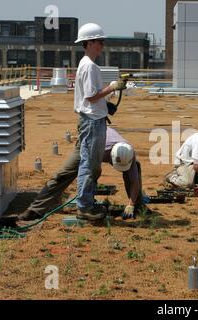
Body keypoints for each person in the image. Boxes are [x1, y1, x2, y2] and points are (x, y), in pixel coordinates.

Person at [18, 127, 146, 222]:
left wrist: (131, 204)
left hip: (101, 138)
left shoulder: (128, 152)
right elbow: (88, 173)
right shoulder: (100, 150)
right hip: (86, 143)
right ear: (111, 157)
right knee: (63, 175)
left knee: (135, 168)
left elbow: (134, 180)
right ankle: (35, 210)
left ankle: (137, 206)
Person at [74, 23, 127, 221]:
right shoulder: (89, 66)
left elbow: (93, 97)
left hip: (93, 119)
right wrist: (112, 87)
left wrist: (106, 104)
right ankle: (84, 206)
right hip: (92, 122)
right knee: (89, 164)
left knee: (92, 164)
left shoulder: (87, 64)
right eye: (99, 41)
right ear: (89, 43)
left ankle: (87, 202)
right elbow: (90, 96)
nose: (102, 45)